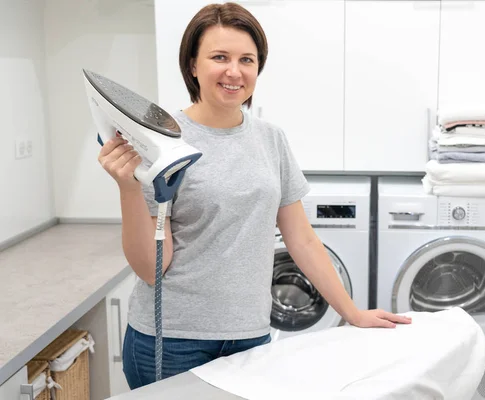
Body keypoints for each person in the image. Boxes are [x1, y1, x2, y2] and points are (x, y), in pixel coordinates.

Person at [97, 2, 412, 390]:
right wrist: (129, 188)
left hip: (251, 337)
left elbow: (302, 239)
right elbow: (151, 269)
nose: (234, 71)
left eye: (247, 59)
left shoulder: (270, 139)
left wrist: (351, 312)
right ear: (193, 66)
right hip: (174, 341)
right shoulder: (162, 142)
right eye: (219, 57)